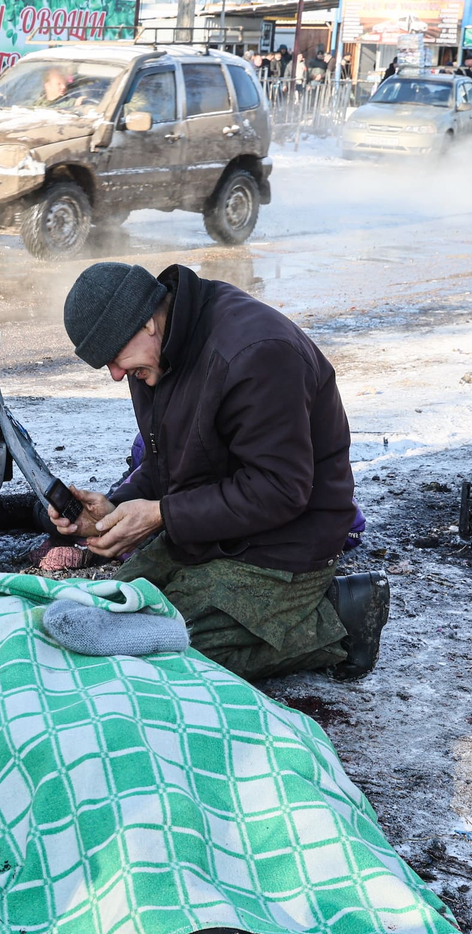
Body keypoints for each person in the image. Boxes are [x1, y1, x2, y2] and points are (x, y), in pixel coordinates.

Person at [48, 261, 390, 682]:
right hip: (209, 528)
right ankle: (266, 614)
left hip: (285, 542)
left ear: (146, 323)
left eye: (115, 358)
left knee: (157, 658)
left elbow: (280, 489)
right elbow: (167, 460)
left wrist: (160, 515)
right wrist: (114, 505)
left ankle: (337, 614)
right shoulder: (153, 355)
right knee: (95, 620)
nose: (116, 375)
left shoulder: (256, 353)